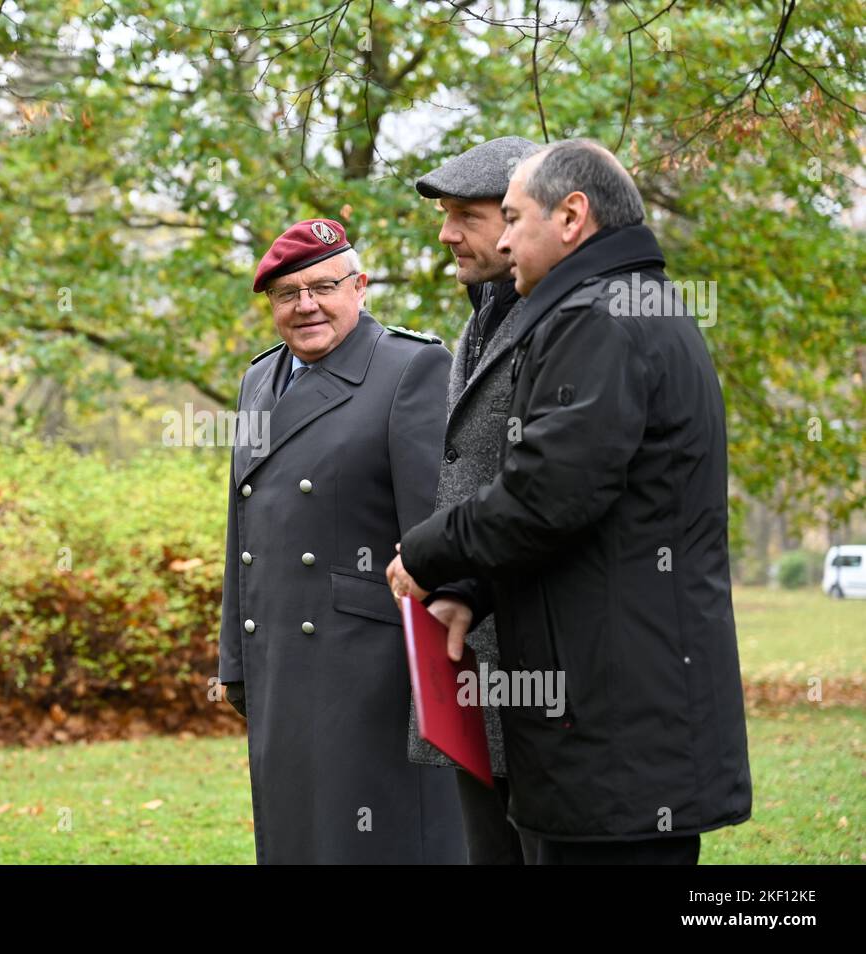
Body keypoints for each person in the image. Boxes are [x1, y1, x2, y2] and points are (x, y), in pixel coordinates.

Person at [386, 140, 752, 864]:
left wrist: (429, 553)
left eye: (513, 217)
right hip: (611, 720)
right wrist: (475, 593)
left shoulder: (600, 319)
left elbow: (548, 492)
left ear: (573, 217)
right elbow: (587, 514)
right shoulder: (616, 306)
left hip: (613, 729)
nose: (506, 237)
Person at [218, 217, 466, 864]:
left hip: (372, 676)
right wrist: (235, 663)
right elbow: (241, 533)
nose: (305, 306)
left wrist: (441, 688)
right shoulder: (258, 380)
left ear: (360, 286)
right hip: (278, 663)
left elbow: (434, 538)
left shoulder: (411, 370)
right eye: (286, 293)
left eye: (323, 287)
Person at [408, 135, 539, 865]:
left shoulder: (559, 320)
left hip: (539, 666)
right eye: (444, 214)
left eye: (467, 215)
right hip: (477, 665)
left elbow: (545, 489)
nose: (446, 232)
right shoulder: (481, 313)